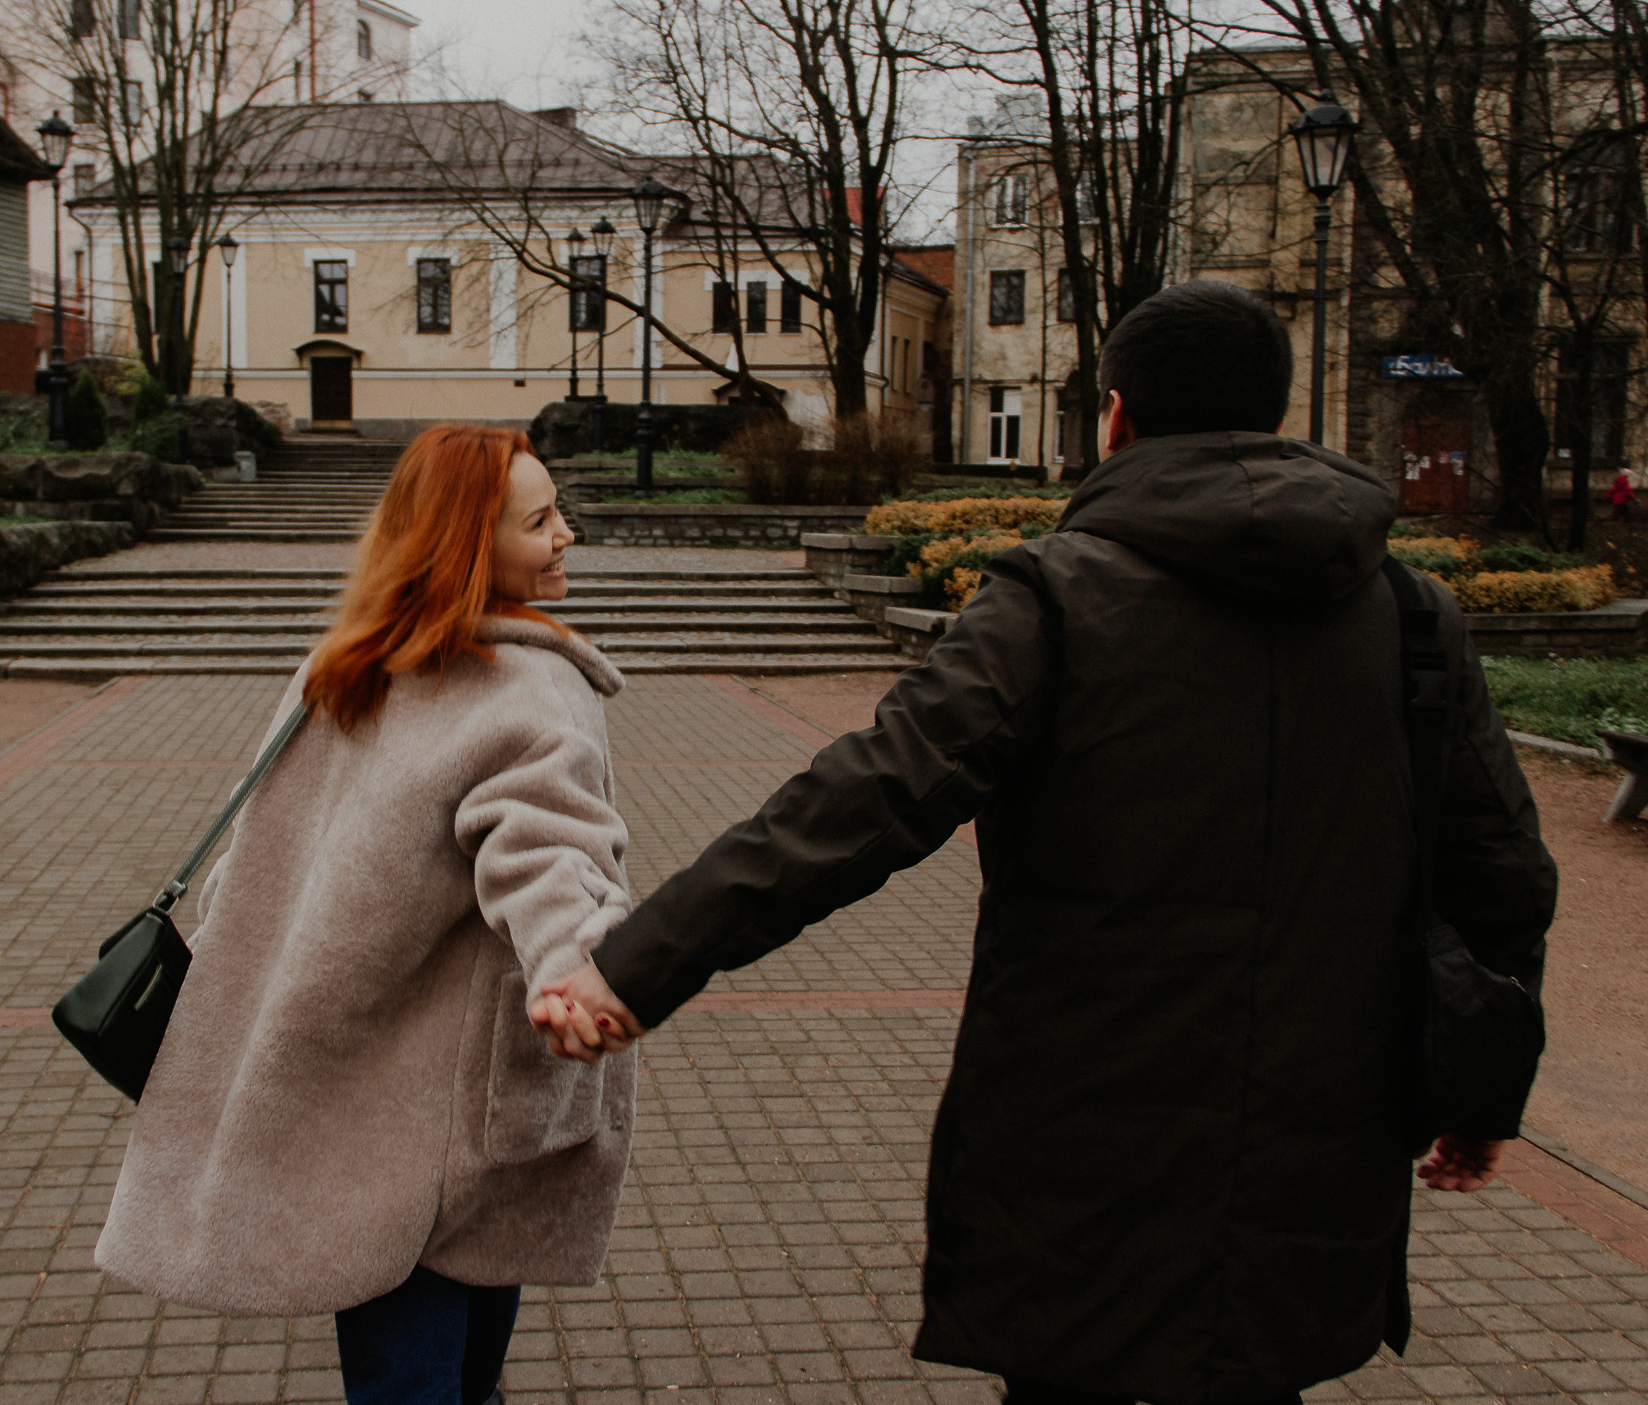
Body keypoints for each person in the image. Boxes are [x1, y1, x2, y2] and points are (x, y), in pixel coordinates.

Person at [534, 281, 1560, 1405]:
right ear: (1273, 416)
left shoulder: (1061, 596)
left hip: (1082, 1136)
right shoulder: (1411, 612)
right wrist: (1480, 1095)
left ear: (1113, 416)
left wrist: (635, 968)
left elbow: (865, 800)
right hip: (1320, 1135)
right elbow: (1502, 870)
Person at [98, 424, 637, 1405]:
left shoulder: (345, 661)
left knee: (421, 1369)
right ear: (468, 543)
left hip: (334, 1073)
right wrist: (581, 965)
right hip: (448, 1120)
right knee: (438, 1375)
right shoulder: (524, 687)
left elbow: (255, 858)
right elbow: (552, 852)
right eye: (541, 519)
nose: (568, 536)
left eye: (563, 512)